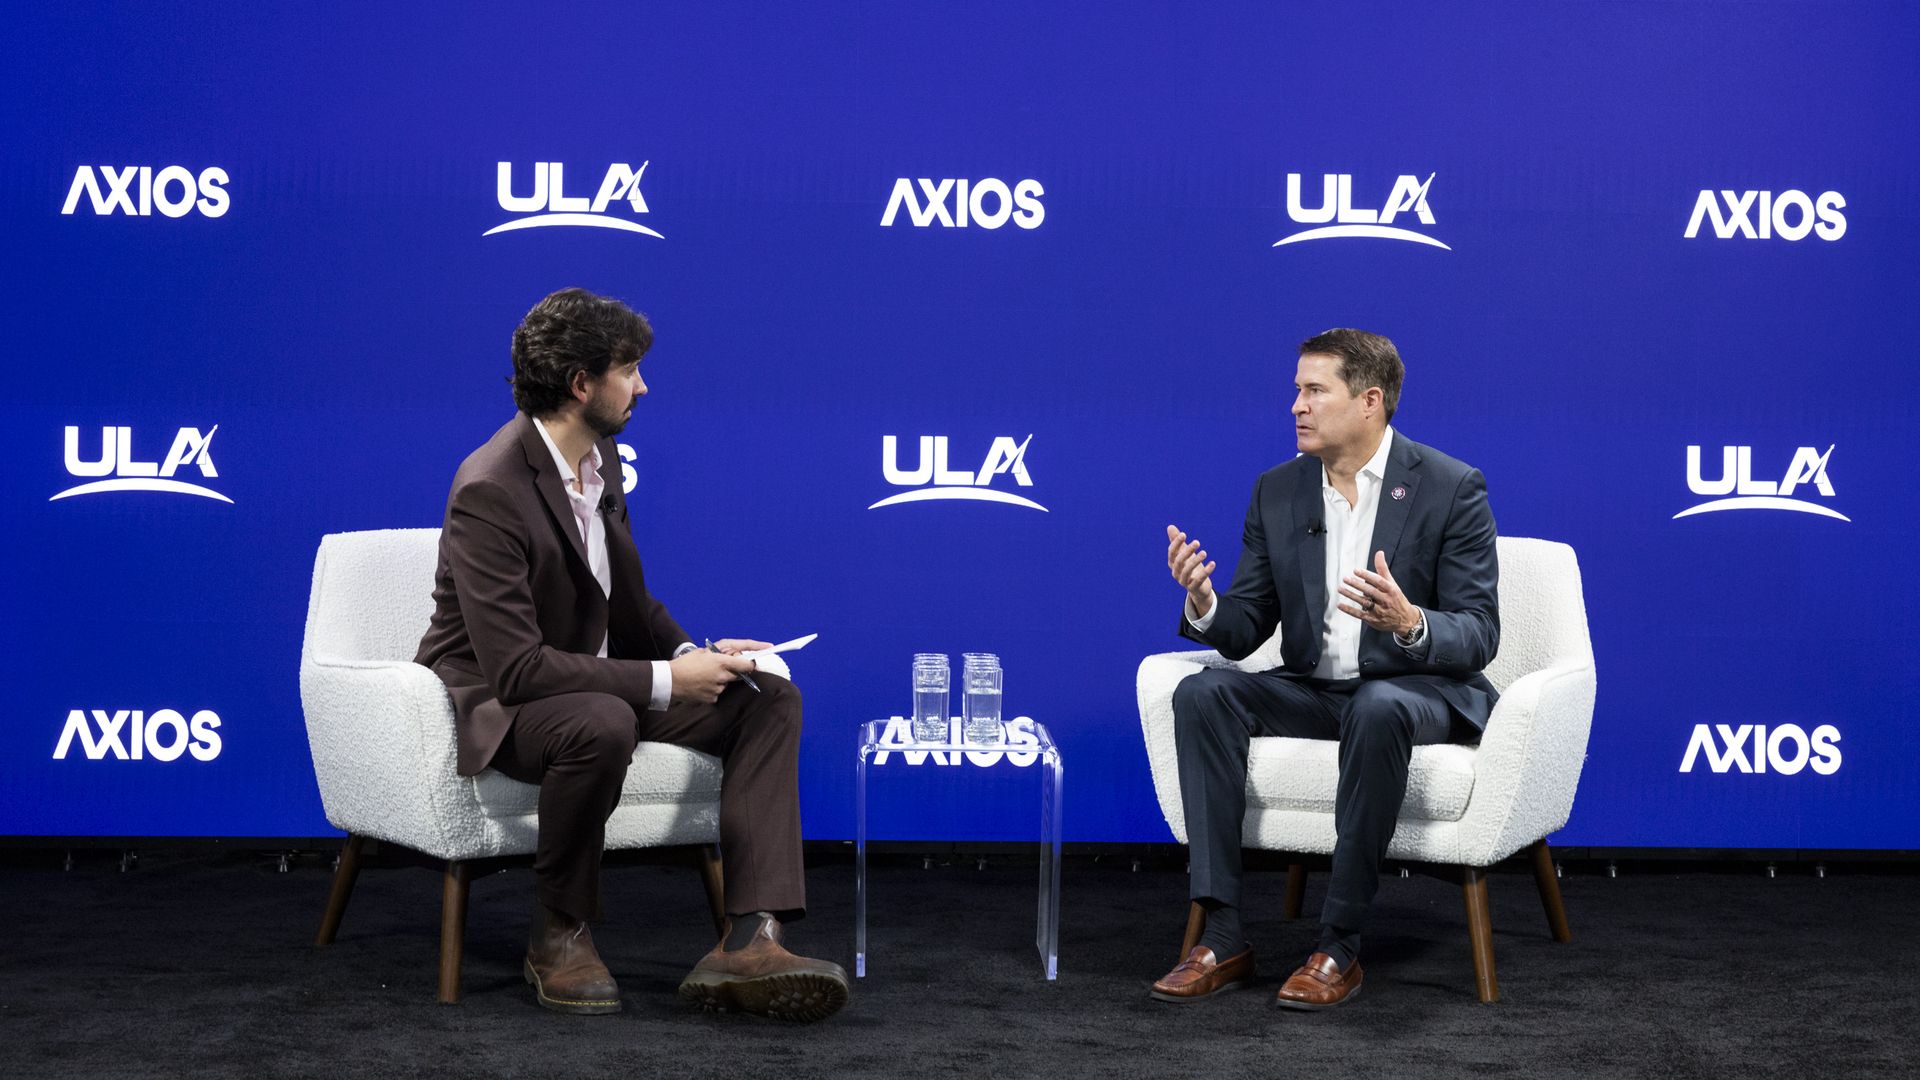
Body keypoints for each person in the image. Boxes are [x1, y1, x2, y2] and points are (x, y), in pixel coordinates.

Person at [414, 287, 849, 1021]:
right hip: (504, 703)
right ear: (582, 384)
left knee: (767, 699)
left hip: (598, 685)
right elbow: (516, 669)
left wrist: (690, 653)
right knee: (600, 723)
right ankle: (559, 930)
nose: (643, 386)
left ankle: (750, 936)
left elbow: (627, 601)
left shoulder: (601, 459)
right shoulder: (489, 488)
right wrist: (664, 680)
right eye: (631, 370)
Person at [1153, 328, 1499, 1010]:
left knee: (1377, 705)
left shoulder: (1451, 486)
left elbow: (1479, 632)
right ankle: (1221, 936)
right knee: (1205, 693)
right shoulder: (1278, 490)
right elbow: (1246, 626)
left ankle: (1338, 946)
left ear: (1369, 401)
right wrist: (1204, 601)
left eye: (1315, 391)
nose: (1296, 407)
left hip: (1414, 690)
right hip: (1314, 687)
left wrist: (1410, 624)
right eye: (1296, 391)